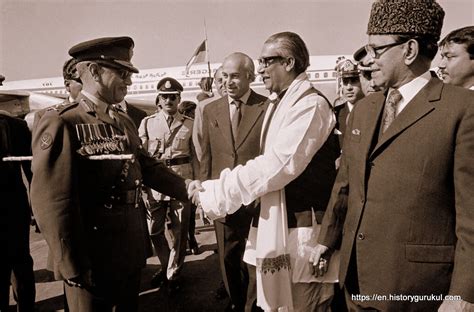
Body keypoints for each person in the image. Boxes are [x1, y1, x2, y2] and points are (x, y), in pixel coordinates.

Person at [314, 1, 474, 311]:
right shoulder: (363, 110)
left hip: (419, 288)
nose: (367, 62)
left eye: (376, 50)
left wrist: (464, 293)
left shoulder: (463, 110)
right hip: (357, 280)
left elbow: (471, 212)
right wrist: (327, 239)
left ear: (410, 50)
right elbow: (346, 184)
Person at [30, 36, 190, 312]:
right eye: (122, 73)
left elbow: (147, 166)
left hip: (128, 250)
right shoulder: (63, 121)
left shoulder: (122, 120)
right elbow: (50, 203)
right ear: (93, 71)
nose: (128, 82)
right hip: (90, 257)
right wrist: (72, 265)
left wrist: (191, 188)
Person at [190, 32, 338, 312]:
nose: (260, 69)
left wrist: (216, 192)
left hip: (302, 230)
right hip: (280, 225)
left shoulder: (310, 104)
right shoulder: (281, 102)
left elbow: (278, 164)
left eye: (266, 61)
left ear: (289, 62)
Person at [197, 52, 268, 311]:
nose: (228, 82)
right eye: (224, 76)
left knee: (254, 258)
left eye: (235, 76)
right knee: (227, 259)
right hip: (223, 199)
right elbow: (206, 156)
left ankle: (253, 305)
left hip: (256, 200)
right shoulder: (210, 110)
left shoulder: (266, 107)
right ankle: (237, 304)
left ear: (250, 76)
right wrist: (205, 197)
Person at [138, 77, 196, 291]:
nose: (169, 100)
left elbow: (196, 157)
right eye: (165, 97)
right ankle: (165, 266)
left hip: (182, 183)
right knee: (154, 230)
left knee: (180, 233)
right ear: (159, 100)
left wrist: (197, 187)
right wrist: (141, 183)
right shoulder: (147, 123)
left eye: (173, 97)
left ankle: (173, 274)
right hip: (155, 185)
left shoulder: (190, 124)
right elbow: (141, 156)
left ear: (179, 99)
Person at [0, 111, 35, 312]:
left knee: (21, 264)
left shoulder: (16, 126)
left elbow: (33, 173)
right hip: (15, 207)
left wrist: (37, 208)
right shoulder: (16, 125)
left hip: (13, 209)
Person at [333, 58, 364, 149]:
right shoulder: (335, 114)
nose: (349, 87)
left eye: (353, 81)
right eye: (345, 82)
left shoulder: (373, 111)